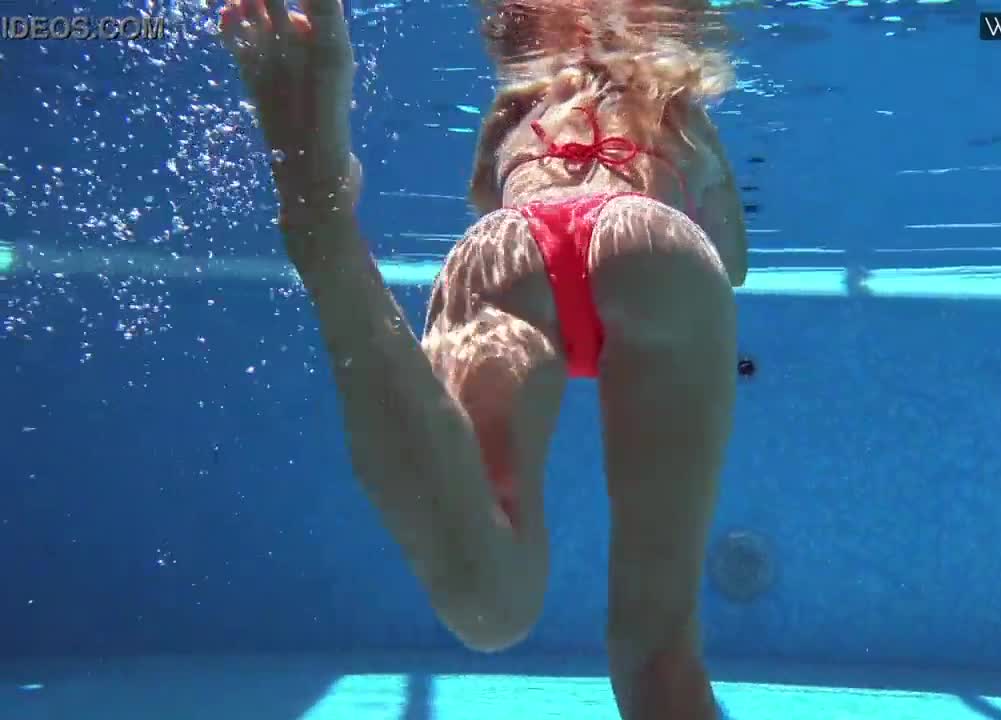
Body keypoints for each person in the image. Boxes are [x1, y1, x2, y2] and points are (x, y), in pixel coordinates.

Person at [218, 0, 747, 717]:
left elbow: (488, 199)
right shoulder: (679, 107)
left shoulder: (514, 104)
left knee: (488, 606)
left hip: (510, 248)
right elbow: (731, 259)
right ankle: (320, 223)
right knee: (655, 646)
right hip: (651, 235)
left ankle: (323, 220)